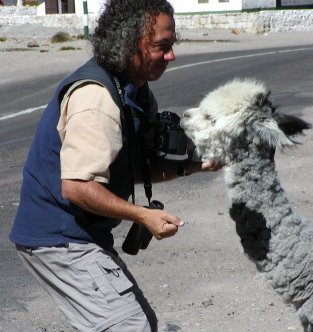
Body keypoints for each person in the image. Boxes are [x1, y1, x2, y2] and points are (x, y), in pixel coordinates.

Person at [9, 0, 219, 331]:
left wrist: (197, 166)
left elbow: (128, 169)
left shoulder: (134, 90)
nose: (171, 56)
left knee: (138, 322)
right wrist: (142, 214)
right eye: (161, 47)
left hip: (81, 234)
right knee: (129, 326)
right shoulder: (97, 98)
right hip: (59, 238)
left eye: (172, 45)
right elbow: (77, 186)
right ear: (129, 45)